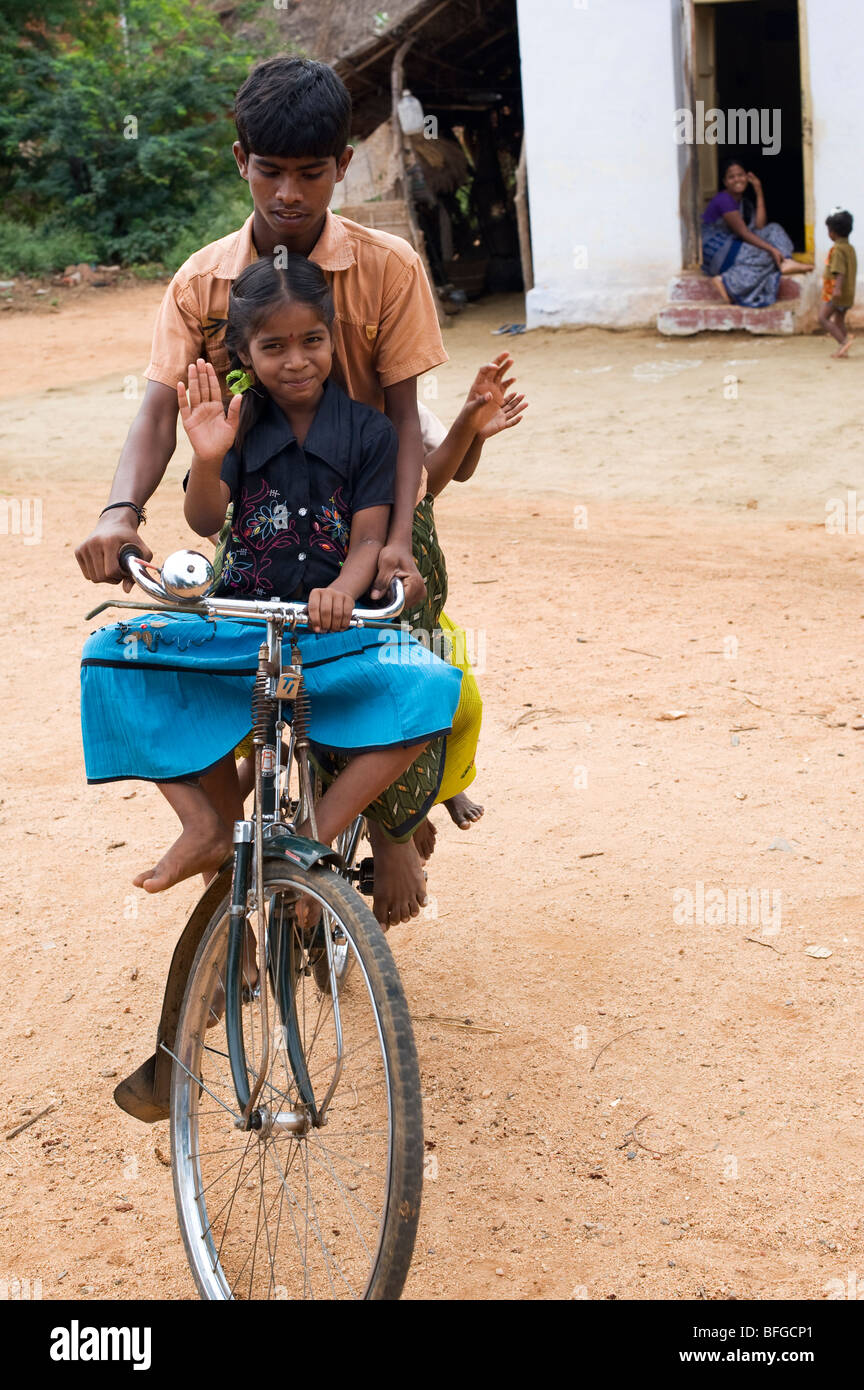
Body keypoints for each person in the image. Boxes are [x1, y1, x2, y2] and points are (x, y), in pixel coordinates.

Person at [74, 55, 455, 924]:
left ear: (343, 165)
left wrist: (396, 537)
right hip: (261, 515)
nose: (290, 192)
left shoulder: (388, 268)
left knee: (417, 652)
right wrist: (118, 514)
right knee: (186, 661)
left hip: (374, 505)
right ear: (240, 158)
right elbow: (158, 415)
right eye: (272, 170)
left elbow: (402, 420)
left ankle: (388, 830)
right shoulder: (199, 282)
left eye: (311, 173)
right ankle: (221, 844)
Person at [701, 159, 812, 308]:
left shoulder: (743, 203)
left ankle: (785, 261)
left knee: (774, 229)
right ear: (725, 182)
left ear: (747, 177)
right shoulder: (724, 200)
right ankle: (726, 281)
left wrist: (758, 191)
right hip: (716, 250)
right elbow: (744, 233)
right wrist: (772, 249)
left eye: (740, 175)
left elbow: (759, 227)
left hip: (732, 245)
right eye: (731, 177)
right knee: (767, 255)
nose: (737, 179)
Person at [818, 208, 856, 359]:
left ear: (832, 232)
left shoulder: (838, 250)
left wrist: (837, 289)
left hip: (836, 292)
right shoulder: (850, 248)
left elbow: (839, 271)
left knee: (822, 318)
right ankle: (844, 349)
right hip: (848, 292)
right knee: (839, 319)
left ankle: (843, 342)